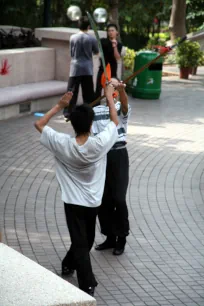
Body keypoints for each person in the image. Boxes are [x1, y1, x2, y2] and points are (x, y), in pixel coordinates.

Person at [34, 84, 119, 296]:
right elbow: (115, 122)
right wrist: (109, 97)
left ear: (72, 124)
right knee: (83, 243)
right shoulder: (100, 144)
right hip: (91, 203)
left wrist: (59, 105)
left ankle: (67, 264)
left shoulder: (62, 143)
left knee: (86, 241)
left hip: (74, 204)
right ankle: (87, 285)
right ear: (91, 124)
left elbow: (39, 124)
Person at [92, 78, 131, 256]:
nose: (113, 87)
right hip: (102, 156)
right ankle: (109, 237)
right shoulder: (95, 111)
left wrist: (122, 91)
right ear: (105, 87)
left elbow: (124, 104)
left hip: (119, 155)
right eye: (111, 85)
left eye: (116, 85)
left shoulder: (120, 108)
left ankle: (121, 237)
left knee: (119, 199)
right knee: (104, 199)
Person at [63, 16, 99, 120]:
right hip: (87, 68)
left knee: (71, 92)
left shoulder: (73, 37)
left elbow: (71, 53)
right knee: (88, 93)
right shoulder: (92, 39)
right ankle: (89, 113)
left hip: (75, 67)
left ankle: (68, 113)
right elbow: (96, 52)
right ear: (88, 26)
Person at [95, 24, 123, 99]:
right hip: (102, 69)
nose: (110, 32)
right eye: (109, 31)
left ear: (117, 32)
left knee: (112, 91)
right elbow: (97, 50)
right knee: (98, 89)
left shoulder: (119, 44)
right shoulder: (103, 41)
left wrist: (114, 46)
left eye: (112, 30)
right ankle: (95, 108)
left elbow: (117, 57)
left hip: (112, 70)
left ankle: (111, 108)